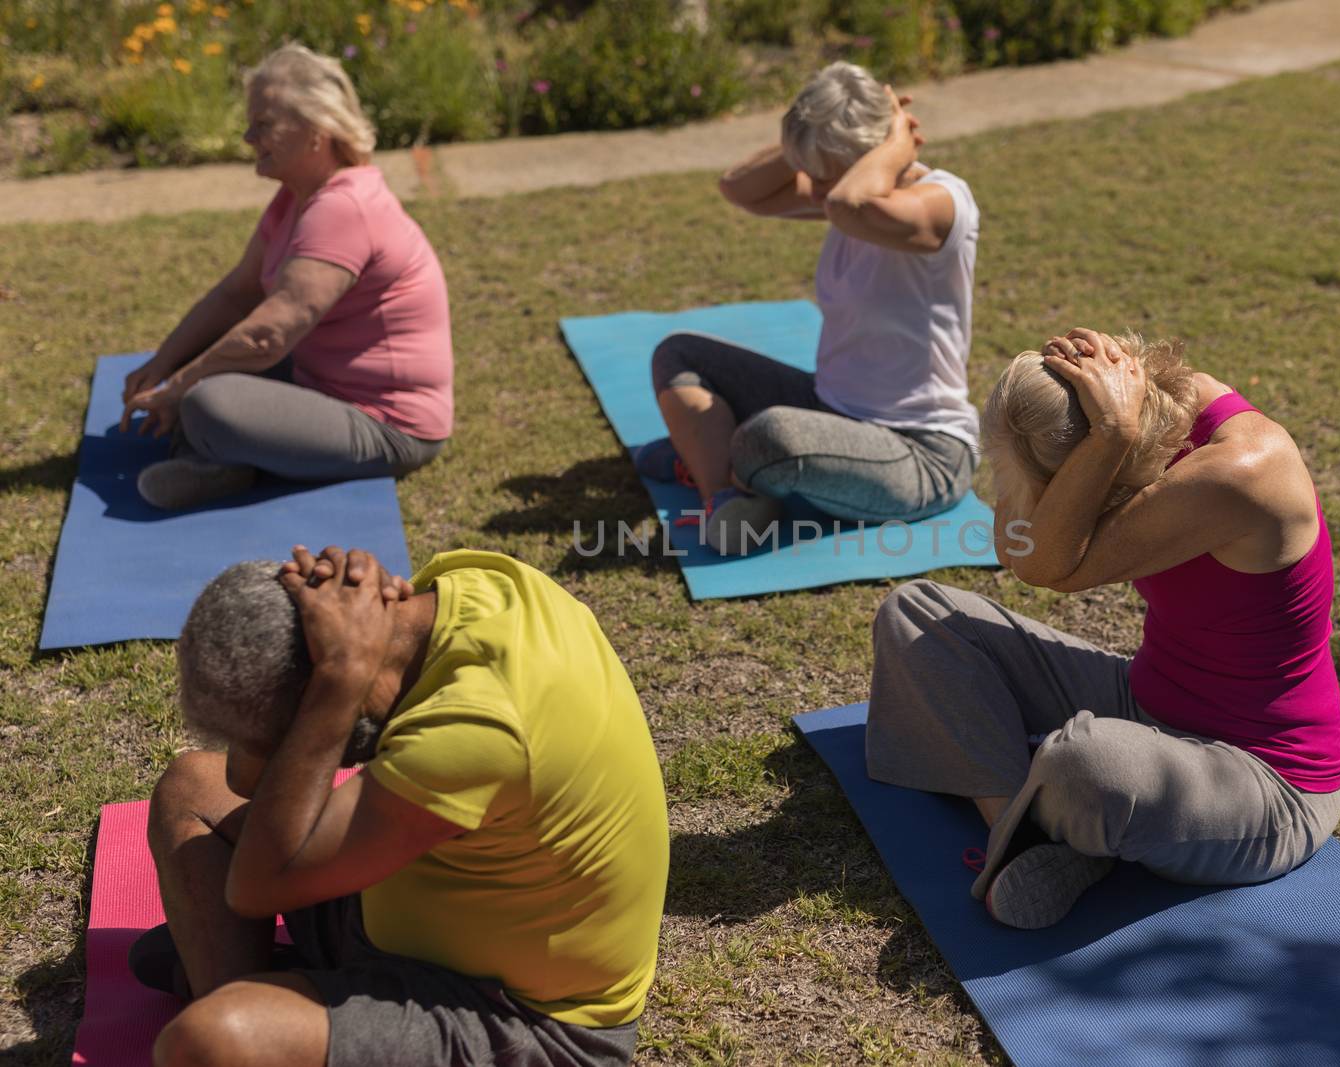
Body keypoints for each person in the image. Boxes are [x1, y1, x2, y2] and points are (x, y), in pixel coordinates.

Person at [866, 328, 1340, 929]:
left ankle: (1059, 810)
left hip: (1266, 779)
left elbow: (1045, 568)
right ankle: (1020, 832)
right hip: (1144, 700)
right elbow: (1022, 547)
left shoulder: (1239, 470)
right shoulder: (1155, 417)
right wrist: (1044, 452)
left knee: (1089, 764)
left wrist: (1110, 437)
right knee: (920, 614)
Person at [136, 545, 668, 1067]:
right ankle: (279, 1015)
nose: (241, 766)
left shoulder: (478, 727)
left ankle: (268, 1022)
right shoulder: (476, 587)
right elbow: (241, 787)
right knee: (192, 787)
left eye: (259, 744)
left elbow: (255, 889)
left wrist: (340, 679)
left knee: (206, 1039)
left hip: (520, 1021)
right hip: (405, 910)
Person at [642, 61, 980, 555]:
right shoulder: (845, 198)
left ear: (873, 155)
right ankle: (726, 494)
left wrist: (893, 142)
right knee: (679, 355)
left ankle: (714, 456)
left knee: (770, 436)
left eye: (823, 176)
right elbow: (737, 188)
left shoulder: (943, 203)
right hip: (829, 410)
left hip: (920, 452)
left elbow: (847, 203)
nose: (814, 191)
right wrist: (807, 141)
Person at [120, 44, 452, 510]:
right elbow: (236, 295)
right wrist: (164, 363)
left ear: (317, 131)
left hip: (390, 425)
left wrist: (176, 390)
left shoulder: (344, 208)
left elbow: (268, 336)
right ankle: (219, 450)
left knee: (205, 403)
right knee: (198, 363)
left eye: (264, 124)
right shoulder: (295, 199)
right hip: (317, 381)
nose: (247, 136)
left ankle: (217, 462)